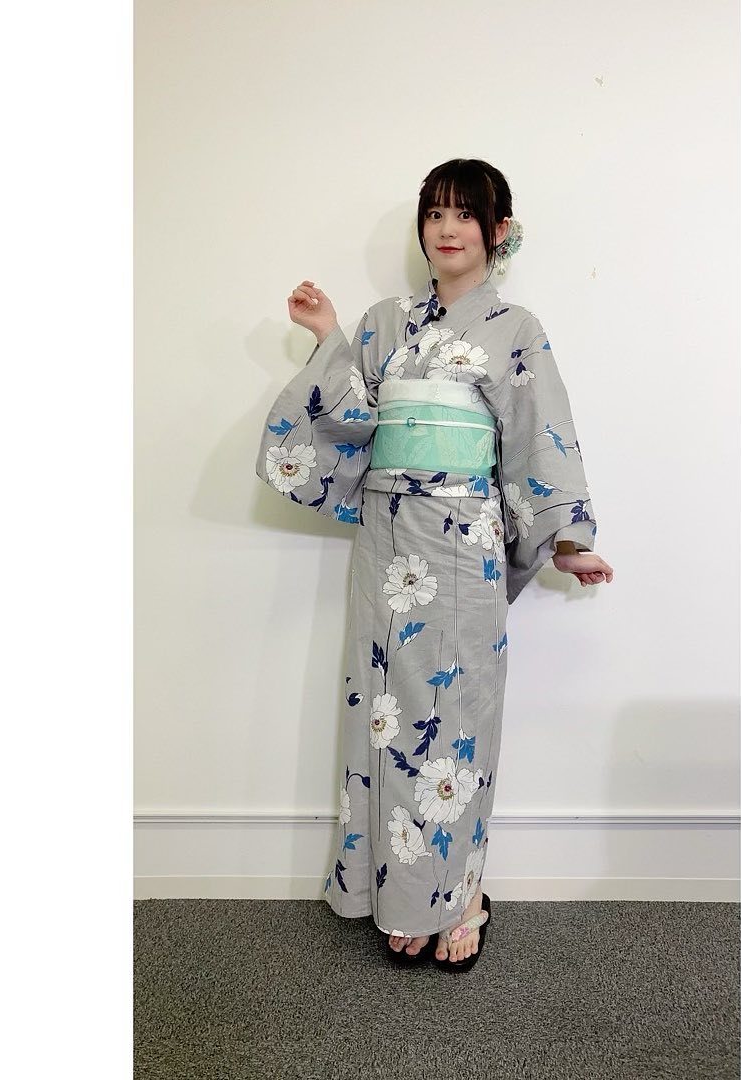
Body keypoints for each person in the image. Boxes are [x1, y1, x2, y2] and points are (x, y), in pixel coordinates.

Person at [257, 159, 613, 971]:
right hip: (387, 544)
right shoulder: (386, 324)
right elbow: (352, 416)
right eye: (435, 213)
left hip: (460, 541)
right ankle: (396, 895)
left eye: (465, 214)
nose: (447, 229)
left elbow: (539, 432)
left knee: (455, 718)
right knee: (383, 714)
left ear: (498, 230)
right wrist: (328, 336)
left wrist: (566, 540)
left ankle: (460, 896)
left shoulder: (515, 329)